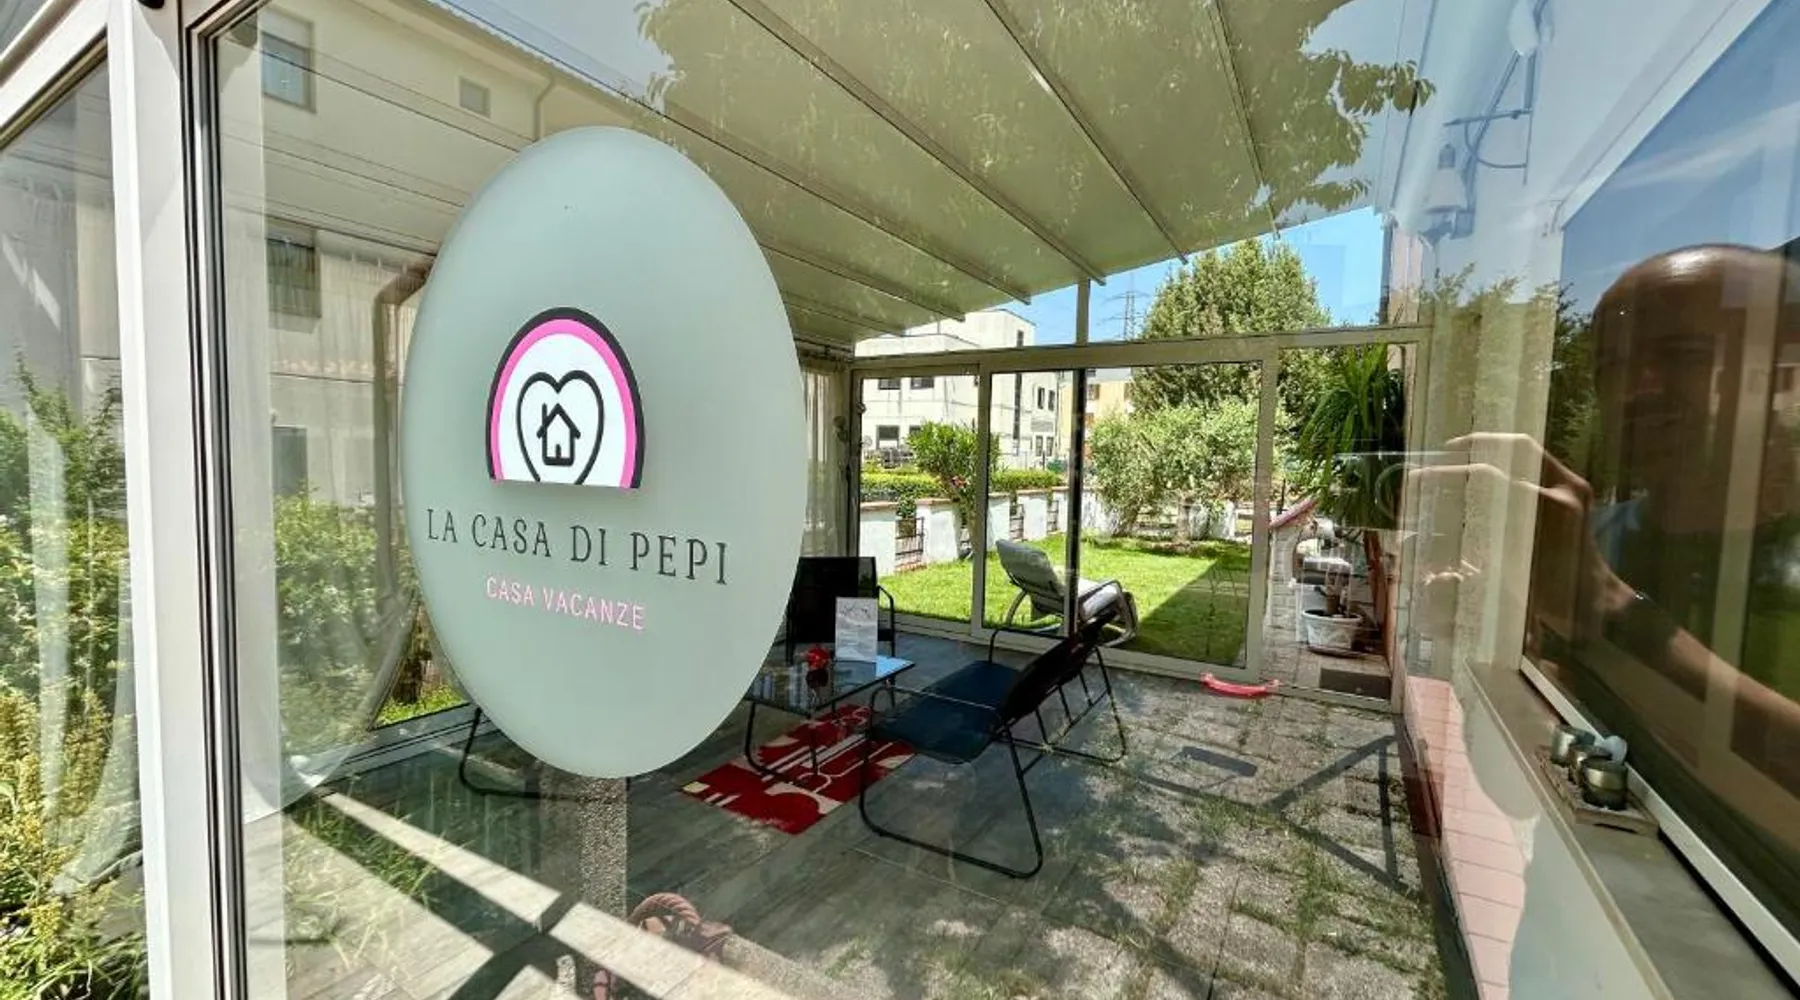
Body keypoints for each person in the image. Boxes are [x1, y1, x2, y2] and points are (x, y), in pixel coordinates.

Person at [1415, 244, 1800, 991]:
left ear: (1783, 376)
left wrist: (1609, 611)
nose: (1638, 390)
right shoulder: (1597, 539)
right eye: (1615, 368)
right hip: (1555, 947)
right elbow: (1517, 791)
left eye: (1683, 356)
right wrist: (1490, 640)